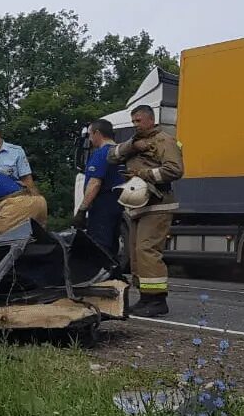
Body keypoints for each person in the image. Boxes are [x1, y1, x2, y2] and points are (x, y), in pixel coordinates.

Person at [106, 104, 184, 317]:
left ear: (151, 119)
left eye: (138, 121)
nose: (135, 125)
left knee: (147, 250)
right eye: (133, 121)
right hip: (139, 206)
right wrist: (133, 146)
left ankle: (158, 301)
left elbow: (175, 170)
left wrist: (144, 173)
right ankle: (145, 298)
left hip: (158, 204)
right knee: (137, 254)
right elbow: (111, 156)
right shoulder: (135, 142)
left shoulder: (164, 141)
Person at [73, 118, 126, 257]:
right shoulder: (120, 154)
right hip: (118, 204)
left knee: (99, 246)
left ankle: (102, 276)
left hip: (102, 206)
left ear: (97, 133)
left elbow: (95, 183)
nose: (90, 139)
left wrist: (82, 210)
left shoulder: (101, 154)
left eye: (90, 135)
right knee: (112, 245)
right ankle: (113, 275)